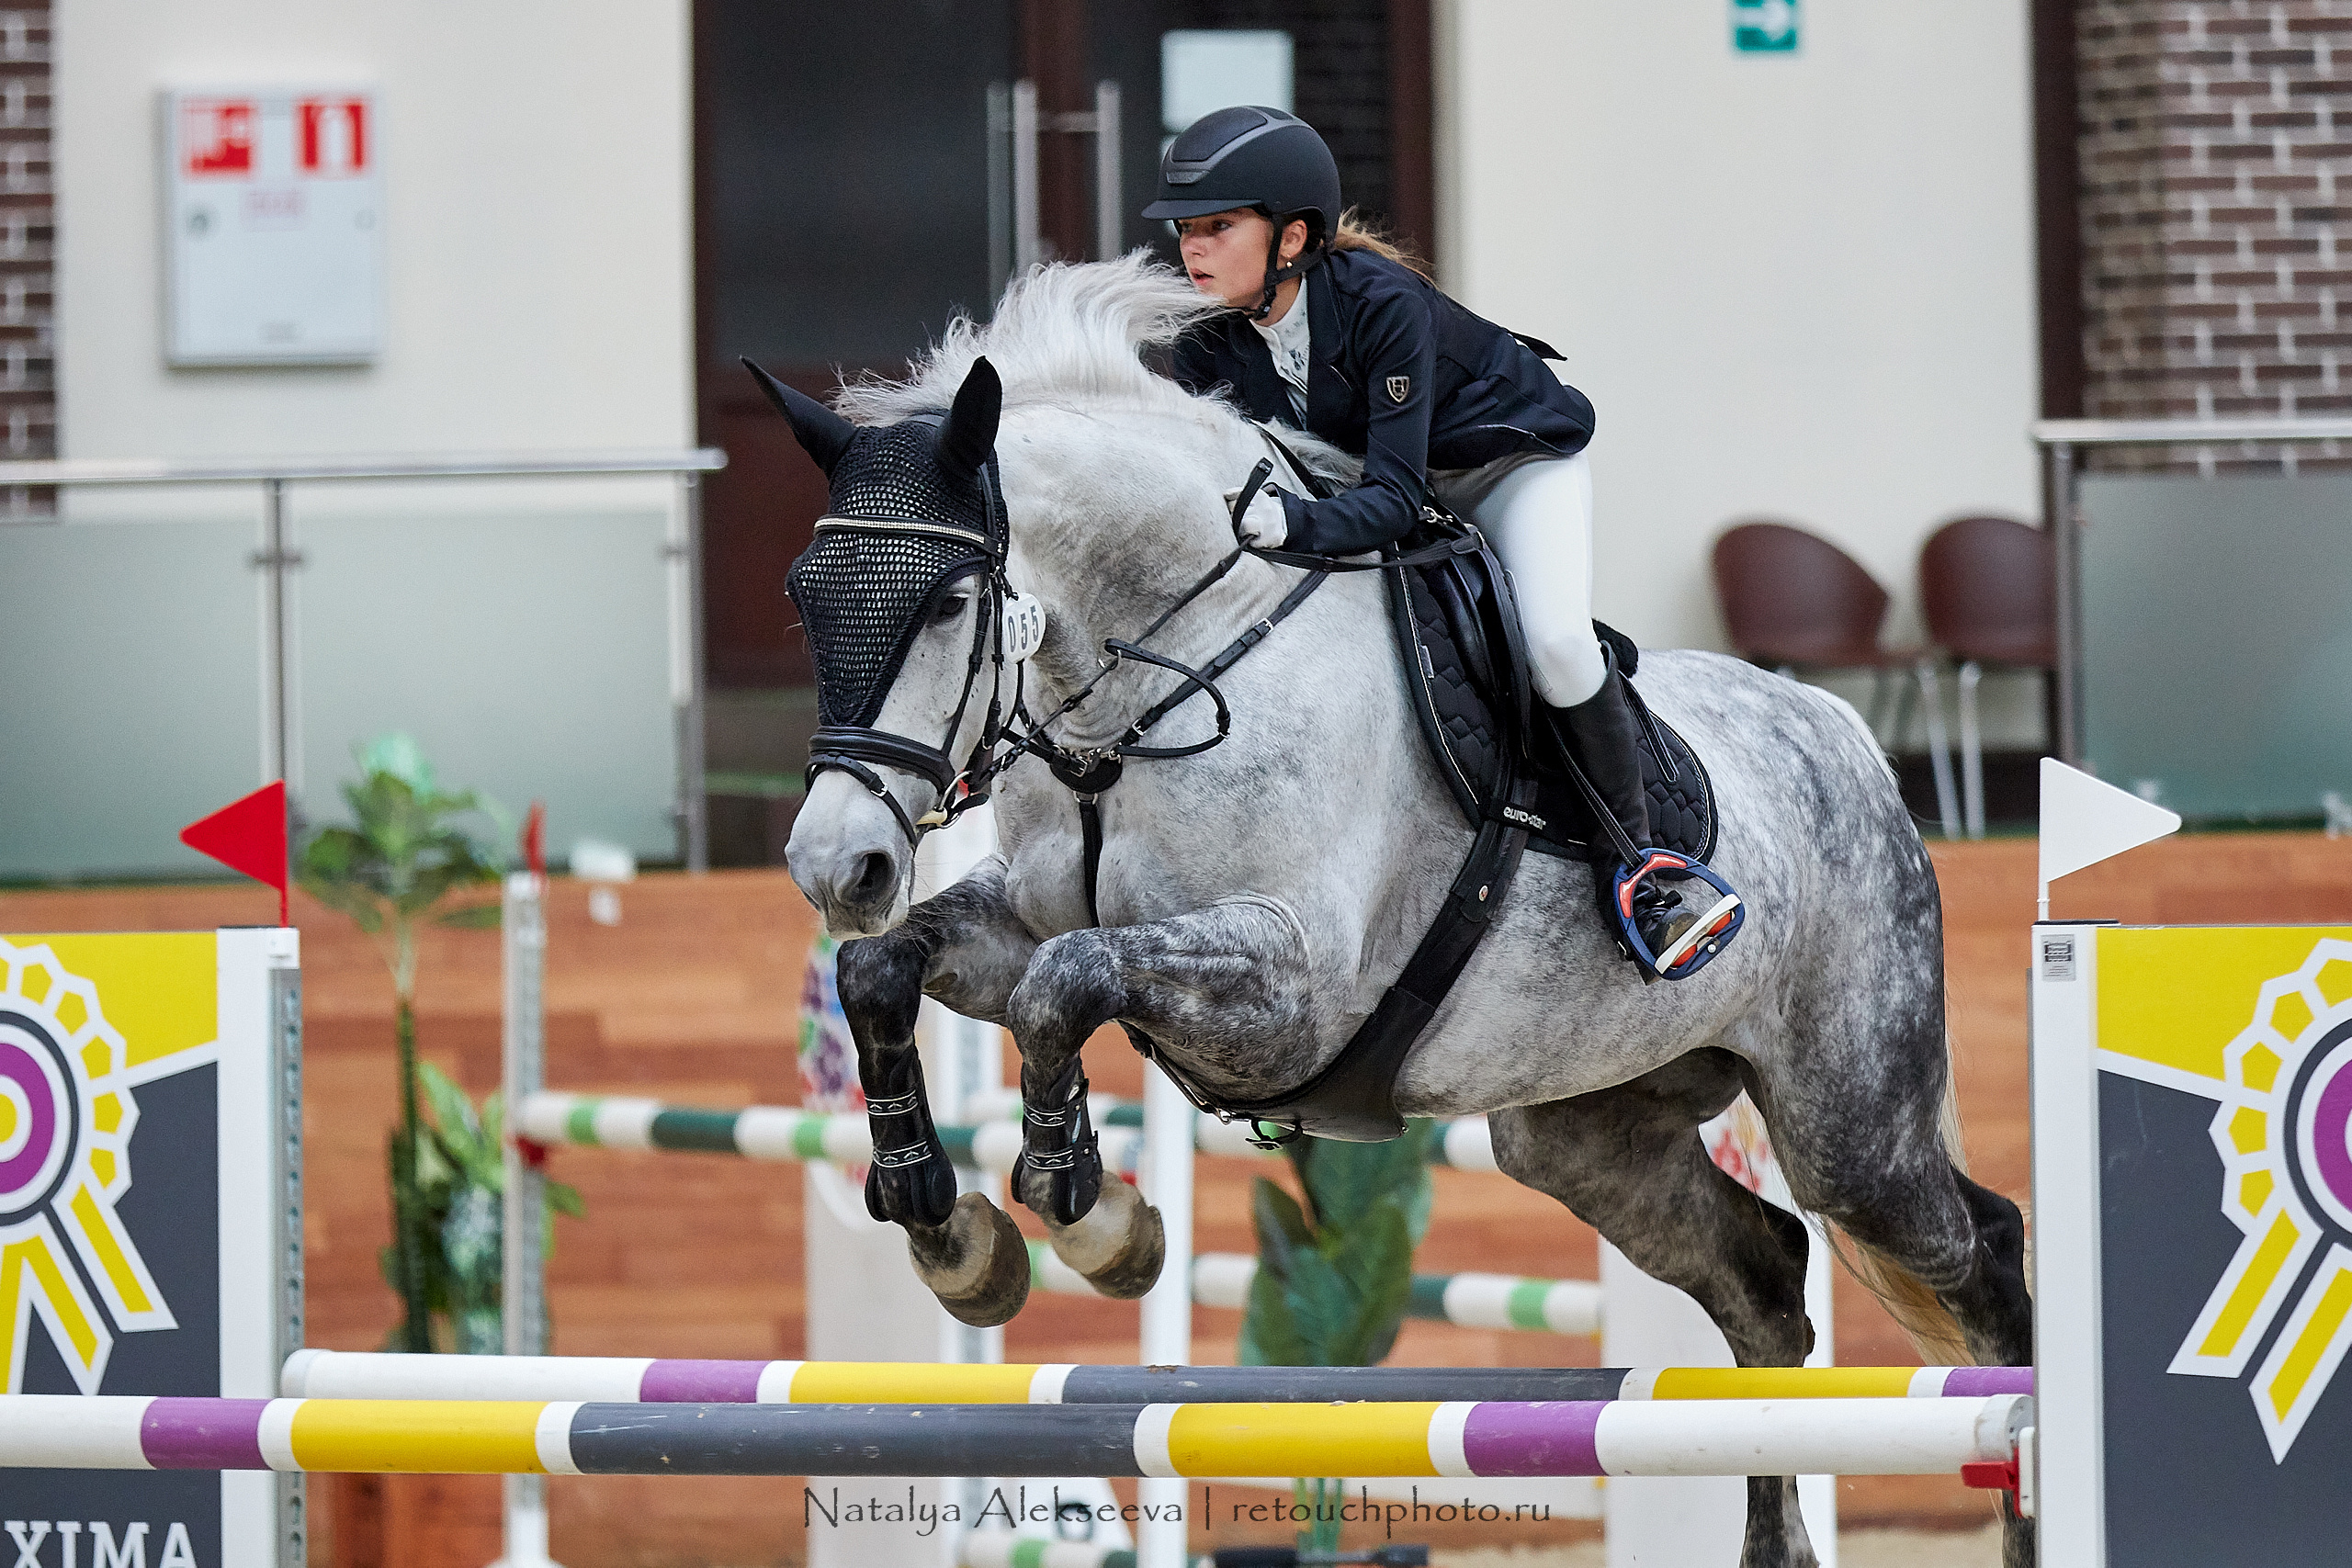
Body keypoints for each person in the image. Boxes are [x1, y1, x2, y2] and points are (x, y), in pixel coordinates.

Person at [1146, 105, 1739, 978]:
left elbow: (1392, 500)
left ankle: (1645, 865)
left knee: (1558, 645)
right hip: (1386, 484)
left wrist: (1293, 524)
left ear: (1291, 237)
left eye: (1217, 227)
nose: (1192, 249)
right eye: (1186, 230)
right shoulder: (1204, 342)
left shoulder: (1383, 305)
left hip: (1508, 468)